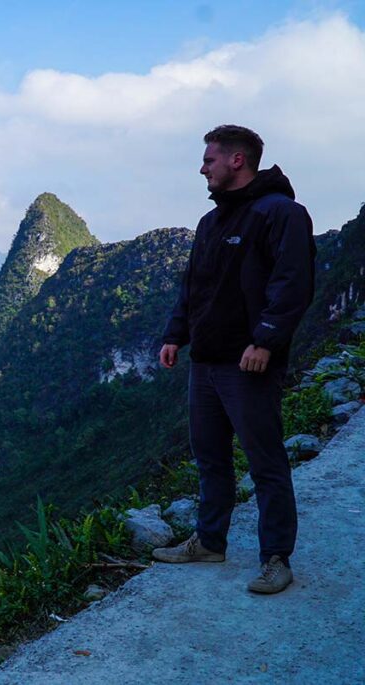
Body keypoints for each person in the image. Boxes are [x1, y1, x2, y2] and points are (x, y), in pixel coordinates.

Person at [153, 124, 316, 594]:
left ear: (237, 160)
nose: (202, 168)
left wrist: (265, 340)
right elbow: (194, 287)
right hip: (204, 362)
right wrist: (174, 335)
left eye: (209, 160)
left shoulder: (280, 214)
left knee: (265, 461)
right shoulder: (212, 222)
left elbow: (292, 284)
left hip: (247, 364)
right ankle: (209, 541)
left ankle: (276, 558)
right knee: (210, 457)